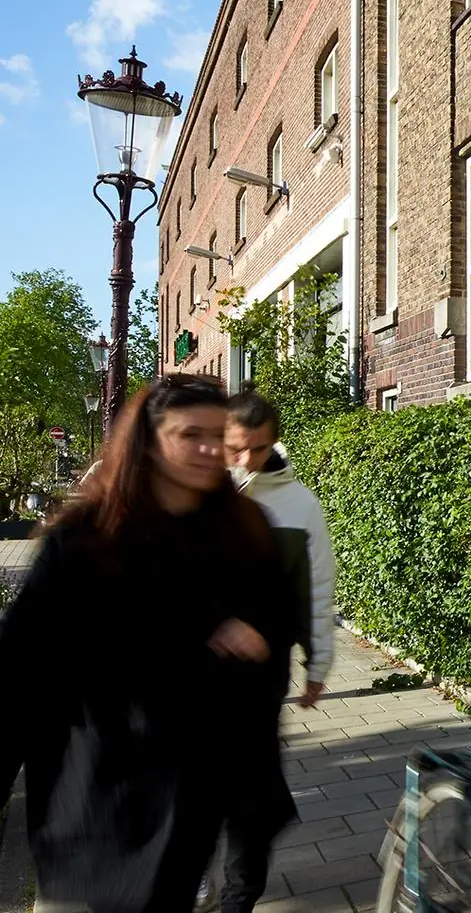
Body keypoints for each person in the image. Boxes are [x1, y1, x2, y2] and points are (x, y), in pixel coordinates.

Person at [0, 375, 293, 913]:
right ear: (150, 443)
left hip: (184, 804)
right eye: (190, 434)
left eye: (216, 433)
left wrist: (257, 647)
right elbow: (19, 671)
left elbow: (272, 644)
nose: (210, 449)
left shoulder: (245, 531)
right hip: (91, 801)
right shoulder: (87, 539)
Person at [196, 392, 334, 913]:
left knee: (251, 792)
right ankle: (197, 869)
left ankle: (239, 895)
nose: (245, 462)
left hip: (261, 669)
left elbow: (317, 588)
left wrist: (317, 664)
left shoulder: (300, 505)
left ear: (272, 442)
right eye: (235, 448)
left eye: (256, 449)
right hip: (197, 665)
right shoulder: (199, 490)